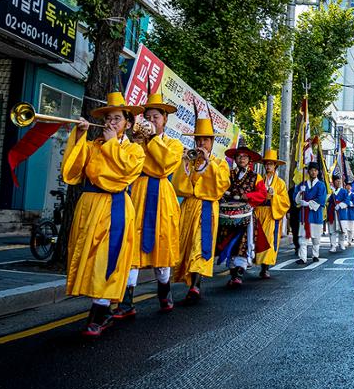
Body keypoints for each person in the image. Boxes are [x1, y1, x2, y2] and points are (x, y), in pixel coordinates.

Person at [62, 92, 145, 337]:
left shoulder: (135, 151)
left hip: (115, 206)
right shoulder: (93, 146)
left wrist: (110, 145)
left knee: (106, 259)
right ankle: (102, 308)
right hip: (89, 206)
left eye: (117, 119)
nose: (110, 123)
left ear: (128, 123)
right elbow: (73, 172)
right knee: (87, 257)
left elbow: (125, 174)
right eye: (108, 118)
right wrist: (79, 135)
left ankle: (100, 311)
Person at [113, 92, 183, 318]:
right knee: (131, 243)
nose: (151, 121)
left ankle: (164, 289)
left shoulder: (174, 144)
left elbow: (164, 165)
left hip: (162, 193)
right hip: (137, 192)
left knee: (162, 245)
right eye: (148, 117)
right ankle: (126, 300)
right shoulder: (136, 141)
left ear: (165, 120)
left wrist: (152, 140)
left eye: (156, 117)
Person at [172, 116, 230, 302]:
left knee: (200, 244)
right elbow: (179, 185)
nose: (201, 143)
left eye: (205, 139)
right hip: (189, 207)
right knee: (186, 245)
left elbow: (221, 185)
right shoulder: (189, 160)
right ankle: (190, 280)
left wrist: (208, 163)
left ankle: (196, 284)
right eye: (199, 139)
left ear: (212, 142)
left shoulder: (220, 164)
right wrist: (185, 164)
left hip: (206, 207)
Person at [219, 143, 268, 288]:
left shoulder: (256, 176)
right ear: (235, 159)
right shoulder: (228, 174)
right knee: (228, 242)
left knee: (244, 242)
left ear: (249, 160)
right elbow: (220, 188)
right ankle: (233, 273)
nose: (241, 159)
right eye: (239, 157)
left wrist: (247, 196)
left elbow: (262, 194)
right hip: (228, 214)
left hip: (246, 214)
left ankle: (239, 273)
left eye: (244, 157)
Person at [253, 149, 290, 279]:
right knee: (258, 239)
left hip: (271, 212)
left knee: (268, 240)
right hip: (259, 212)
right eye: (266, 164)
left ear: (275, 166)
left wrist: (275, 196)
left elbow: (285, 202)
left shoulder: (280, 183)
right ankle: (258, 263)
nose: (268, 166)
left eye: (271, 164)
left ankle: (265, 267)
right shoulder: (258, 181)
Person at [293, 162, 328, 263]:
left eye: (315, 170)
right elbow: (296, 199)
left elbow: (321, 199)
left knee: (316, 238)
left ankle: (315, 255)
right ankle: (302, 258)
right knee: (303, 238)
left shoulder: (321, 185)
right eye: (311, 170)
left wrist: (307, 203)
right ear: (308, 171)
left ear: (318, 172)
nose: (313, 172)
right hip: (304, 215)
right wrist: (300, 193)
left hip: (316, 215)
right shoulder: (302, 185)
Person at [326, 173, 351, 252]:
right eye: (337, 181)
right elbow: (327, 201)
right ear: (333, 182)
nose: (339, 182)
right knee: (332, 231)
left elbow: (347, 201)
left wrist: (340, 205)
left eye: (339, 181)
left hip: (341, 213)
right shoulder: (331, 191)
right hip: (332, 213)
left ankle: (342, 243)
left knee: (342, 230)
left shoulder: (344, 191)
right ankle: (333, 245)